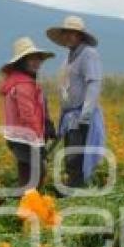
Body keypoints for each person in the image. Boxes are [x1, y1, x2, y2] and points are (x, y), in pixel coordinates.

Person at [46, 16, 106, 191]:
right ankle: (72, 188)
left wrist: (85, 114)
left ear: (80, 36)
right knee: (70, 155)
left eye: (74, 34)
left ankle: (76, 190)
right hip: (70, 116)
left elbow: (93, 83)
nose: (70, 37)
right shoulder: (68, 58)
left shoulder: (88, 54)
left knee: (76, 156)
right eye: (67, 33)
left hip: (81, 115)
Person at [0, 37, 57, 194]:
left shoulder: (20, 80)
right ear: (22, 61)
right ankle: (27, 210)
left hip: (19, 137)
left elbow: (37, 108)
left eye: (37, 58)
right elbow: (28, 116)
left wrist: (47, 124)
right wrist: (38, 143)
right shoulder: (23, 84)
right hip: (25, 138)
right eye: (31, 58)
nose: (36, 62)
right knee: (34, 177)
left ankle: (26, 210)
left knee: (28, 175)